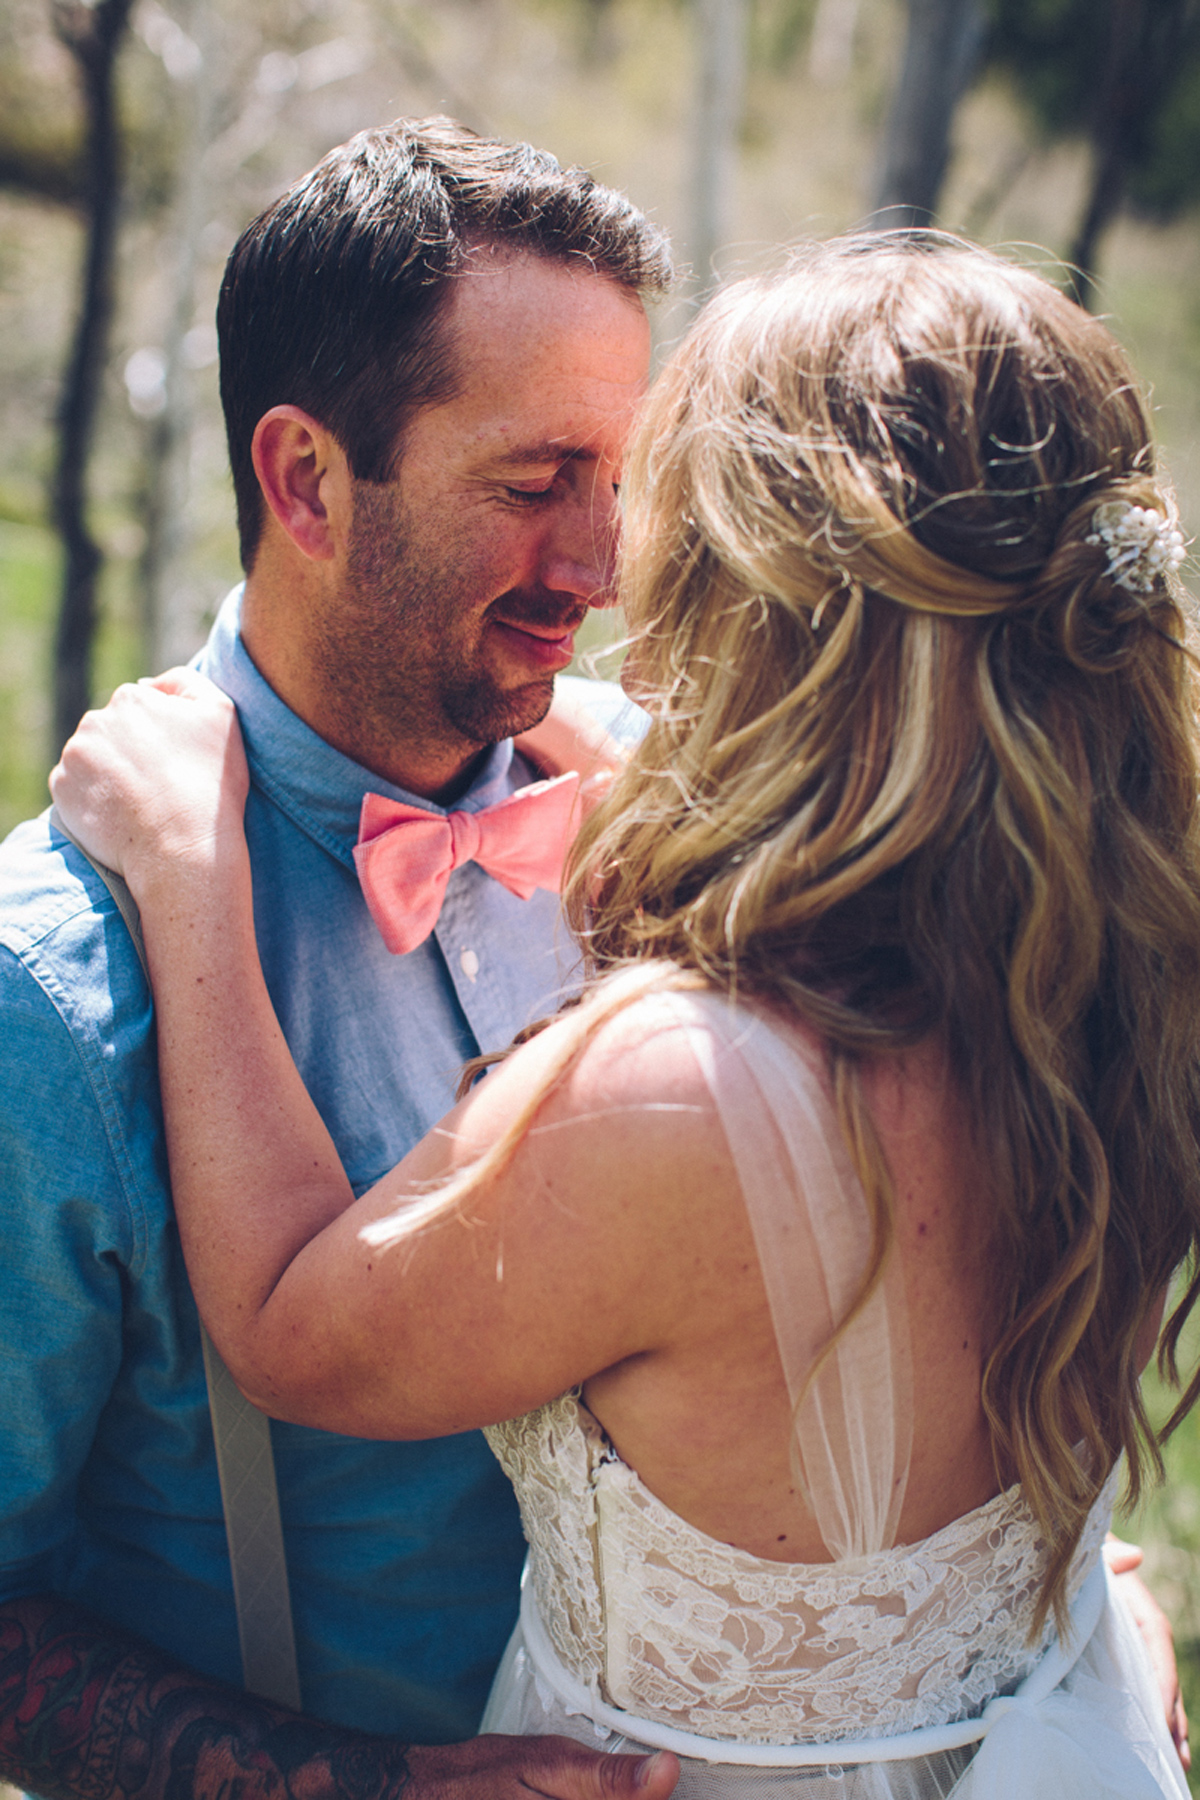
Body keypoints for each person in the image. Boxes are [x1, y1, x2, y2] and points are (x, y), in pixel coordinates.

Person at [49, 234, 1200, 1797]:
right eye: (541, 483)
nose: (608, 569)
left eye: (646, 498)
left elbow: (288, 1331)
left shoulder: (674, 1084)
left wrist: (195, 880)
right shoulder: (1111, 962)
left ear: (780, 607)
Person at [0, 117, 683, 1800]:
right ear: (305, 479)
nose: (600, 569)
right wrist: (353, 1788)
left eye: (619, 477)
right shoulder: (55, 993)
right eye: (535, 485)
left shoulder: (658, 831)